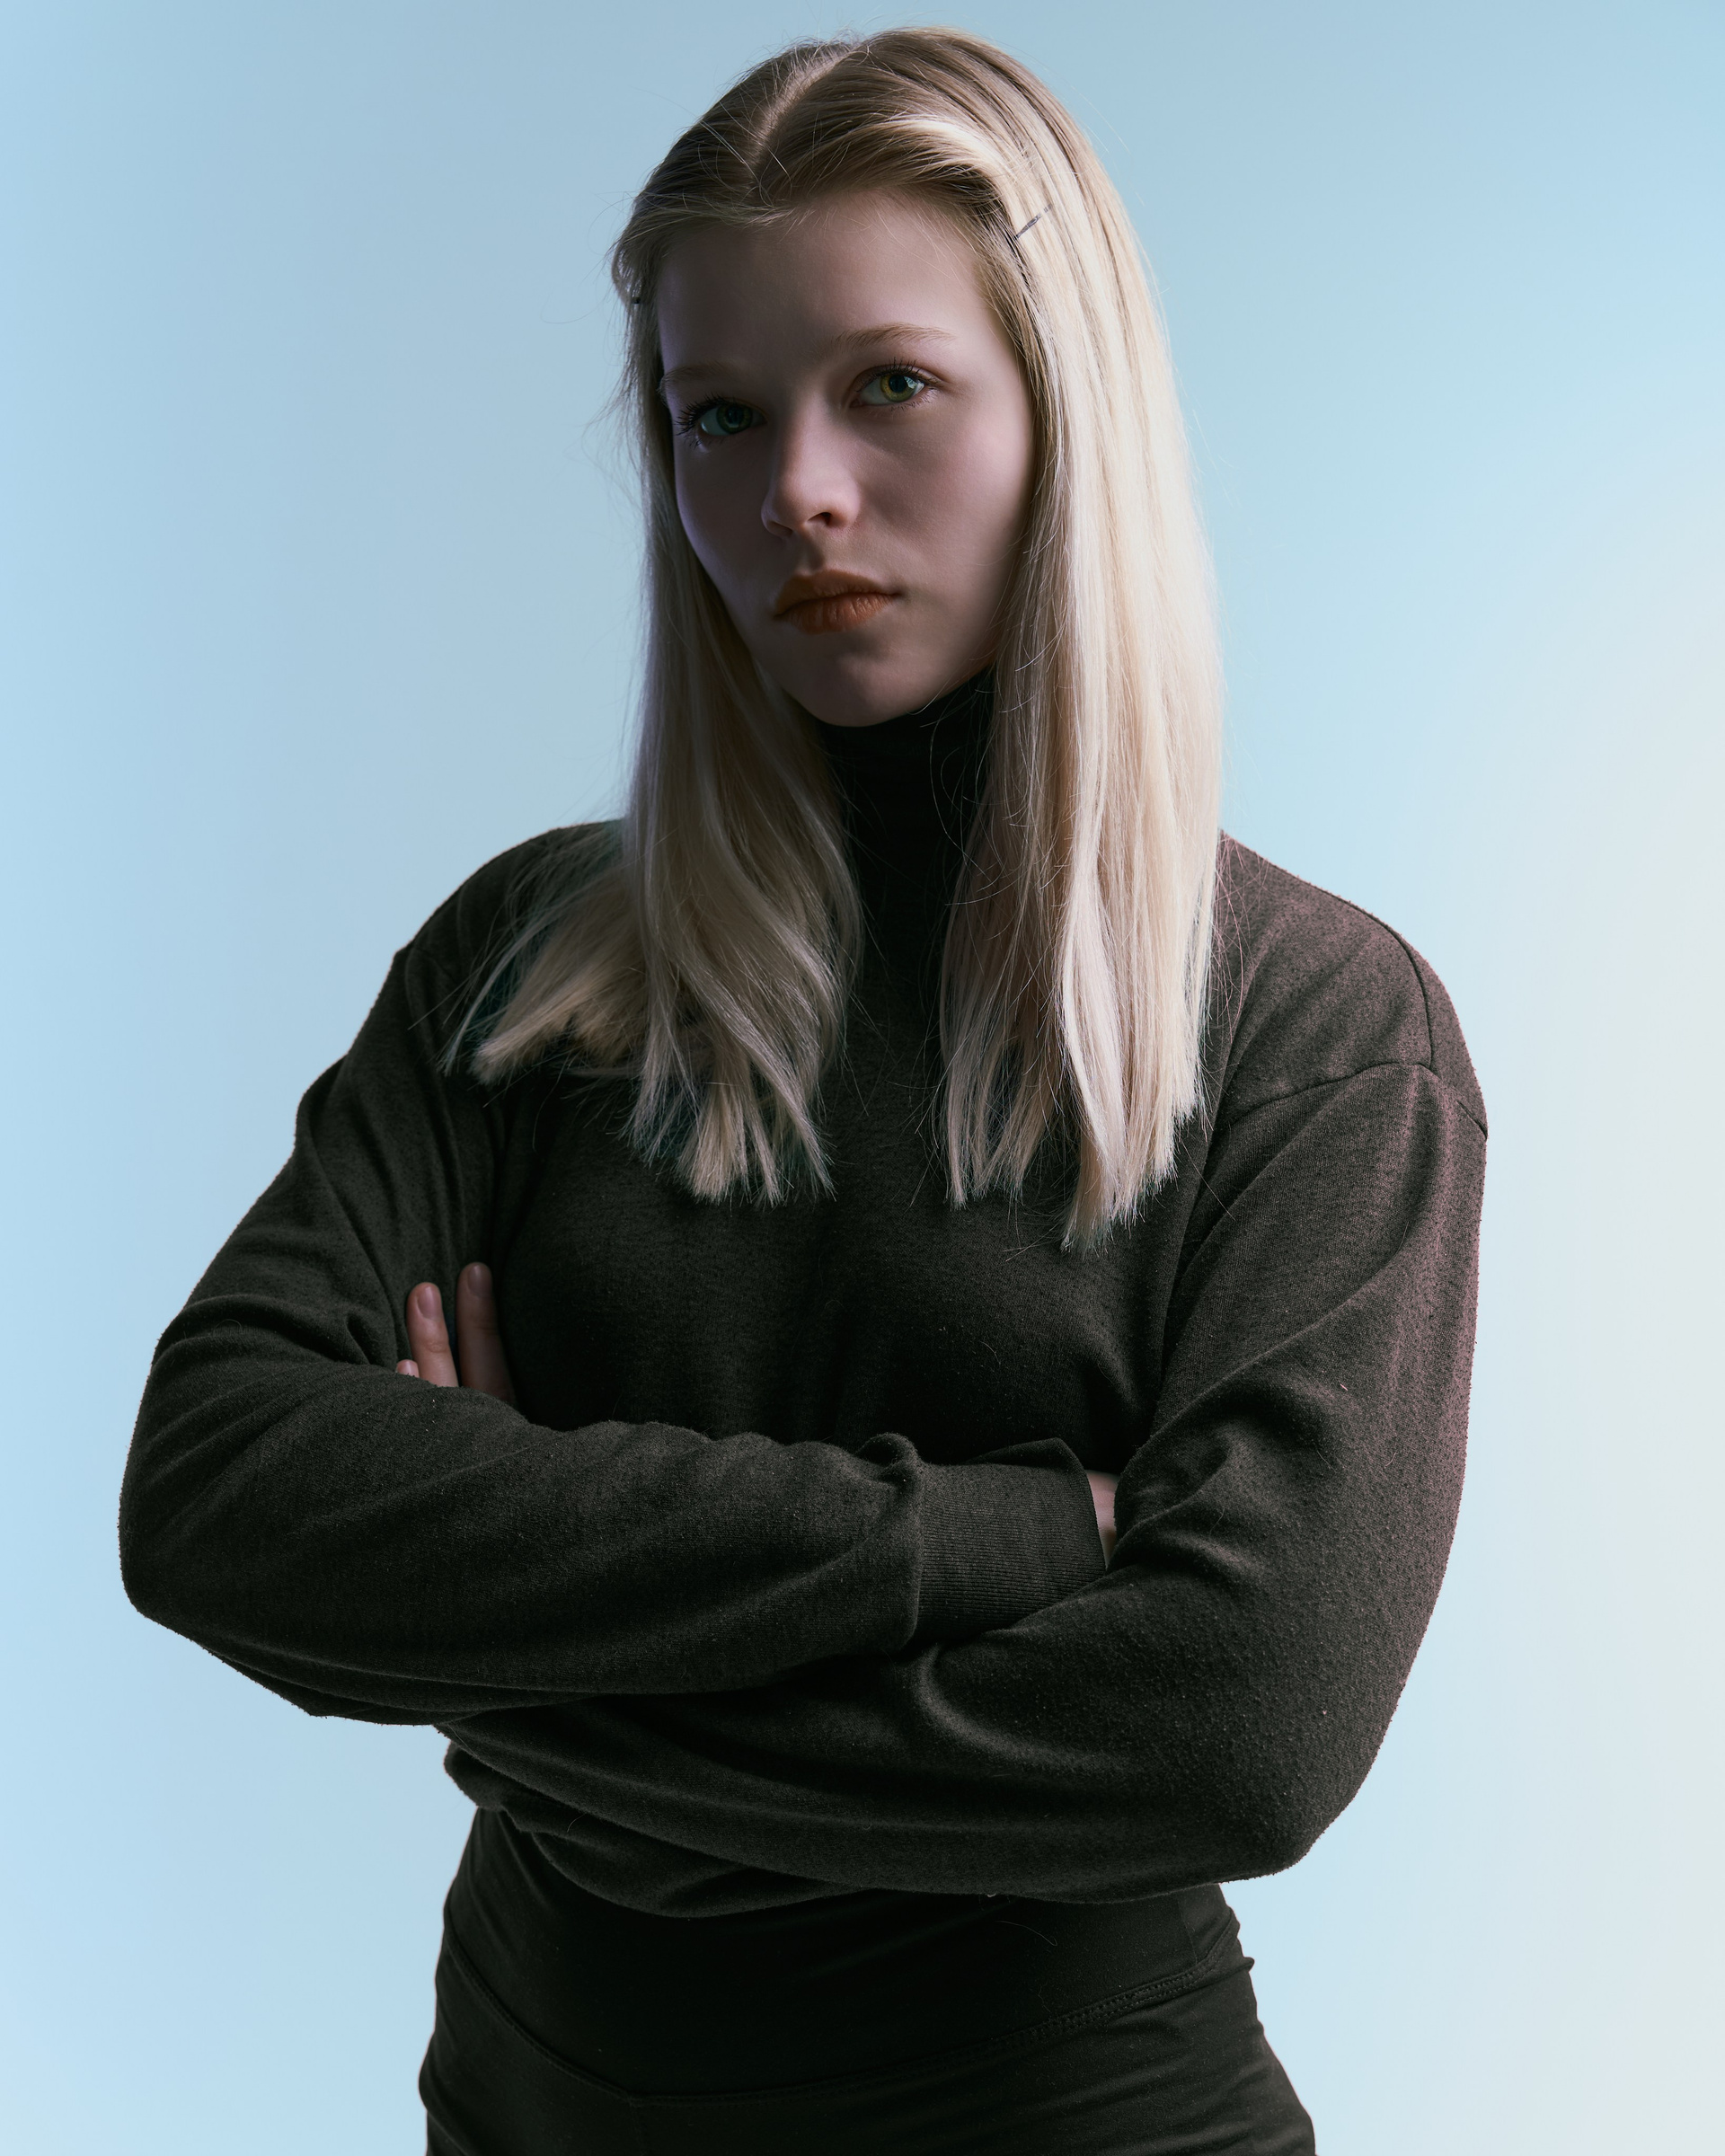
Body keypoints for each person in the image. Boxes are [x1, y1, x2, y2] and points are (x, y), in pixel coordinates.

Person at [119, 28, 1486, 2156]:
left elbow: (1237, 1734)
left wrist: (507, 1641)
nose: (799, 496)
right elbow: (217, 1492)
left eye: (892, 387)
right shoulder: (531, 963)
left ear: (1066, 417)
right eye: (719, 416)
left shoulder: (1316, 1026)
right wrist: (1022, 1535)